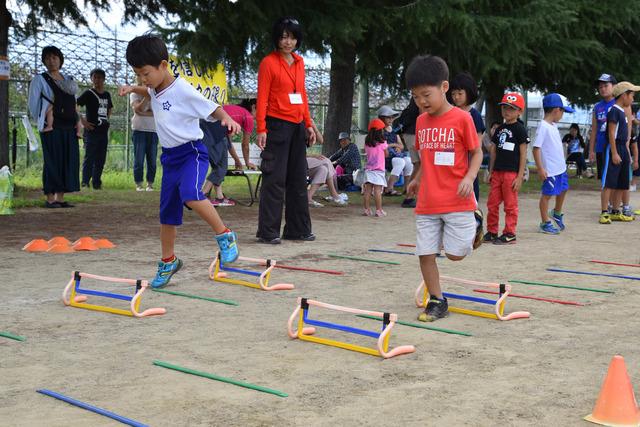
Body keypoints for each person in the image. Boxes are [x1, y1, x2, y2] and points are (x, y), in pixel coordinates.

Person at [119, 34, 241, 288]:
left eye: (145, 73)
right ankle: (168, 261)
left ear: (163, 66)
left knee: (190, 193)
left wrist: (226, 118)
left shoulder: (182, 89)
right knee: (167, 215)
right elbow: (151, 91)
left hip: (192, 153)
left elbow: (210, 106)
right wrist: (134, 88)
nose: (143, 79)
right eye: (138, 75)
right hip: (171, 159)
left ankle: (225, 235)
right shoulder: (154, 87)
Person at [404, 55, 484, 322]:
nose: (422, 102)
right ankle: (438, 300)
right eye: (416, 97)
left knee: (455, 254)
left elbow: (477, 153)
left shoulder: (462, 119)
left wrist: (469, 178)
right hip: (427, 202)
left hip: (459, 200)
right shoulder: (420, 122)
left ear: (445, 87)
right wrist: (417, 178)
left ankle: (475, 221)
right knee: (425, 253)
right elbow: (429, 157)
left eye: (426, 95)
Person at [255, 17, 316, 244]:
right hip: (277, 125)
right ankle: (268, 232)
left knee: (299, 179)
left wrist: (308, 124)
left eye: (291, 37)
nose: (287, 41)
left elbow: (302, 96)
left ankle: (298, 229)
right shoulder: (268, 63)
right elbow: (262, 97)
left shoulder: (299, 63)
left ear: (297, 39)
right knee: (275, 179)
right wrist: (261, 127)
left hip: (298, 126)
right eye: (283, 37)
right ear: (277, 39)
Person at [27, 45, 80, 208]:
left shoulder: (68, 79)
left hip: (69, 126)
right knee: (52, 161)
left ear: (60, 60)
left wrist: (77, 121)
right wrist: (42, 121)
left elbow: (74, 102)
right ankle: (50, 198)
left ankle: (60, 198)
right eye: (48, 58)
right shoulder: (40, 79)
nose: (51, 61)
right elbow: (33, 104)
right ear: (44, 61)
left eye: (54, 57)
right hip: (51, 127)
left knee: (67, 160)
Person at [484, 92, 530, 245]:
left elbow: (523, 154)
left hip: (511, 174)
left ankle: (510, 233)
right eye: (505, 108)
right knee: (492, 203)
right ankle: (491, 231)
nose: (507, 111)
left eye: (511, 108)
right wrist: (490, 171)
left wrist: (519, 176)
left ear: (519, 111)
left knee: (510, 205)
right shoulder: (499, 129)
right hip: (497, 172)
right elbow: (494, 151)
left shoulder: (520, 129)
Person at [532, 93, 574, 234]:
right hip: (550, 170)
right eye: (563, 111)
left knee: (564, 189)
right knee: (547, 195)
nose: (563, 114)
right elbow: (536, 148)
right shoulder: (543, 126)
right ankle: (545, 222)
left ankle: (556, 212)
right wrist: (540, 168)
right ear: (557, 110)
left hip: (560, 169)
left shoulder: (553, 125)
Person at [600, 82, 640, 223]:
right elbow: (611, 133)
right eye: (632, 96)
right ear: (624, 95)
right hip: (614, 148)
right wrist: (615, 152)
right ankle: (605, 212)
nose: (633, 99)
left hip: (623, 148)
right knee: (610, 182)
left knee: (622, 182)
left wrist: (626, 153)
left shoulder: (623, 112)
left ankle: (616, 211)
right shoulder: (614, 110)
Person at [449, 72, 486, 203]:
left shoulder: (474, 115)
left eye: (460, 93)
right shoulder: (449, 113)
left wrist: (471, 170)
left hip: (468, 166)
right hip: (451, 166)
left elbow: (478, 145)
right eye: (453, 94)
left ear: (468, 93)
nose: (456, 97)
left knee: (469, 200)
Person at [77, 68, 113, 190]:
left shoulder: (107, 94)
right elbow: (76, 105)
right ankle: (85, 182)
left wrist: (106, 119)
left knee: (101, 158)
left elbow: (110, 108)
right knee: (89, 157)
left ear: (103, 79)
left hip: (103, 131)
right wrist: (83, 121)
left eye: (100, 77)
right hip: (91, 131)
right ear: (91, 79)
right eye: (95, 77)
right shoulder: (88, 93)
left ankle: (97, 182)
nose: (97, 80)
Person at [588, 74, 616, 215]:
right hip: (601, 148)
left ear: (614, 86)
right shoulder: (597, 107)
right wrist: (591, 150)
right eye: (600, 87)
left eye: (606, 86)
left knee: (615, 177)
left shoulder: (619, 103)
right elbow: (594, 130)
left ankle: (615, 204)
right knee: (604, 178)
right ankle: (608, 204)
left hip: (615, 148)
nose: (603, 89)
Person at [199, 119, 243, 206]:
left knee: (218, 168)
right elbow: (229, 142)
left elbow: (228, 141)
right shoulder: (244, 117)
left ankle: (220, 197)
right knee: (220, 168)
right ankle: (202, 195)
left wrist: (236, 159)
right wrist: (237, 160)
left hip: (206, 134)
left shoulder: (227, 112)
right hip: (215, 136)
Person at [130, 75, 159, 191]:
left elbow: (157, 112)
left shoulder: (156, 94)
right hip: (139, 130)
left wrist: (143, 112)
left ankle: (150, 184)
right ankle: (139, 184)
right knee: (139, 159)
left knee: (152, 159)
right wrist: (146, 97)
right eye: (139, 77)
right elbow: (137, 109)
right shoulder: (134, 93)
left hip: (153, 130)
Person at [378, 105, 413, 197]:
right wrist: (394, 145)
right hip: (384, 157)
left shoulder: (393, 130)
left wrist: (397, 146)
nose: (391, 119)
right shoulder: (379, 130)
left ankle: (406, 187)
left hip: (395, 155)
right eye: (388, 117)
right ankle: (389, 189)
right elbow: (381, 146)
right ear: (382, 118)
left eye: (392, 117)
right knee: (400, 162)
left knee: (408, 161)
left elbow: (401, 145)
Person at [395, 98, 420, 207]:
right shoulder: (417, 106)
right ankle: (409, 195)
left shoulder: (410, 108)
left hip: (410, 134)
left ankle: (408, 190)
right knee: (419, 164)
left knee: (417, 164)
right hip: (413, 134)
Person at [362, 119, 388, 217]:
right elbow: (386, 154)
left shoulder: (367, 143)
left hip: (369, 170)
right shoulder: (383, 143)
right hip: (379, 170)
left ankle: (367, 210)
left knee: (367, 191)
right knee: (377, 191)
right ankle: (379, 210)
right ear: (380, 131)